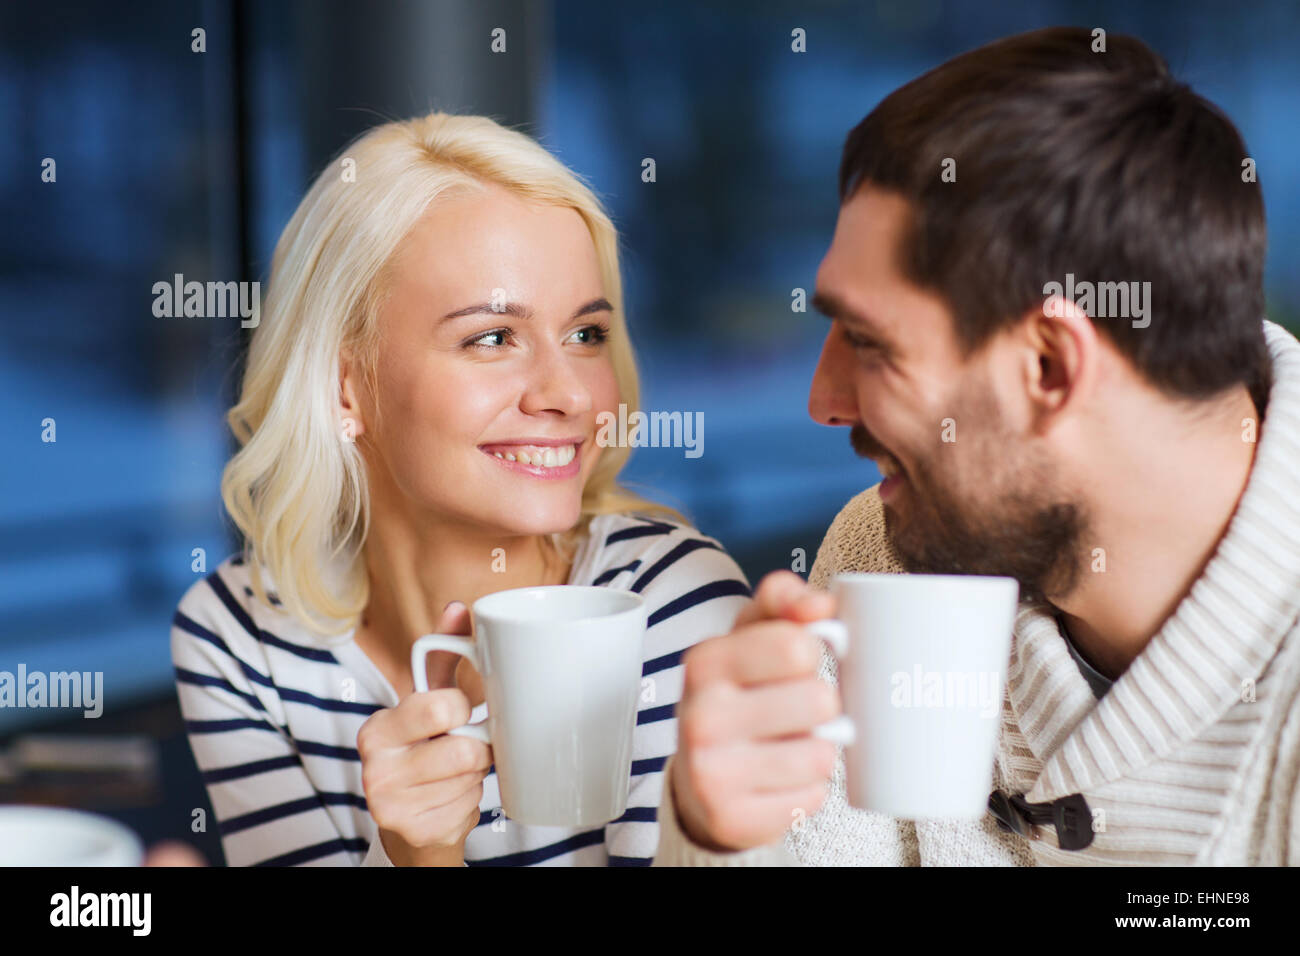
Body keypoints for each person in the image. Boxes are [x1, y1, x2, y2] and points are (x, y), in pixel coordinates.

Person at [655, 26, 1300, 866]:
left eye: (870, 342)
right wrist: (723, 834)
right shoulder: (882, 555)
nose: (822, 402)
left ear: (1048, 365)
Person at [170, 112, 751, 867]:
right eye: (492, 338)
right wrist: (417, 857)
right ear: (346, 388)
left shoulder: (676, 605)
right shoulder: (236, 637)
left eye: (586, 335)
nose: (567, 395)